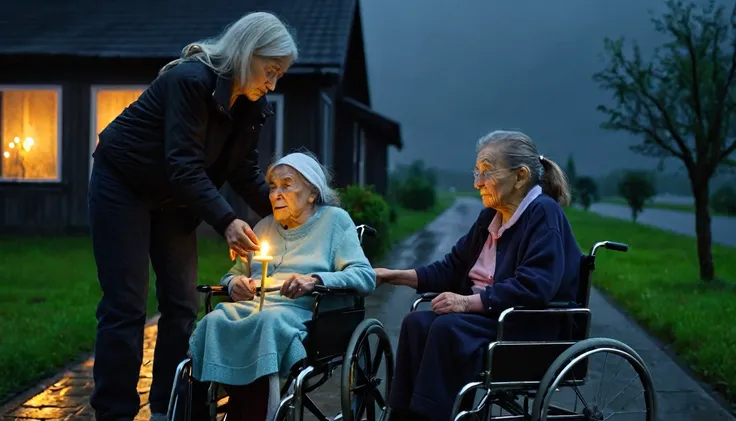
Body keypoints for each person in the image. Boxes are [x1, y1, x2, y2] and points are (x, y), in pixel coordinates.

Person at [86, 12, 298, 421]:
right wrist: (225, 221)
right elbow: (182, 164)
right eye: (270, 71)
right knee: (126, 305)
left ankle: (168, 408)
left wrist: (288, 210)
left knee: (182, 304)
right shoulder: (189, 81)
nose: (272, 83)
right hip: (123, 184)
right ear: (246, 51)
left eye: (279, 76)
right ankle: (114, 413)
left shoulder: (253, 105)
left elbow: (242, 170)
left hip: (176, 199)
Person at [374, 130, 582, 421]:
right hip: (488, 319)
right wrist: (393, 275)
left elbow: (534, 287)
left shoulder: (543, 214)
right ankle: (404, 416)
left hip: (526, 324)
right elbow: (452, 268)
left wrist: (465, 302)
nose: (477, 183)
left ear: (520, 177)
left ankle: (436, 415)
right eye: (476, 172)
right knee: (417, 322)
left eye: (486, 172)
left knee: (446, 329)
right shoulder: (491, 216)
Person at [188, 151, 376, 421]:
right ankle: (204, 410)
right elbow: (232, 274)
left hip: (307, 314)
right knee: (214, 320)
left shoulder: (335, 221)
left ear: (312, 193)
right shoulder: (264, 226)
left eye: (286, 185)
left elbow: (364, 275)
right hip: (255, 307)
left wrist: (314, 281)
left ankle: (256, 413)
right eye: (273, 186)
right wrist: (234, 284)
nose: (275, 193)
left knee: (267, 322)